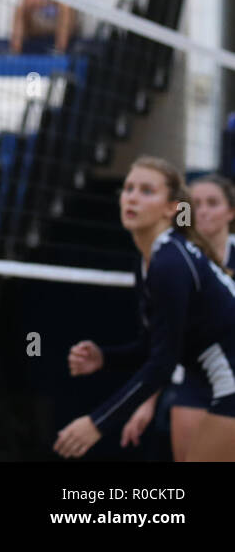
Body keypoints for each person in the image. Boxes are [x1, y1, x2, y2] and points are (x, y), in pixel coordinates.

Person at [56, 157, 235, 461]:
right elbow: (155, 346)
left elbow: (163, 363)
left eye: (147, 191)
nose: (133, 197)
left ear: (172, 208)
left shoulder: (171, 263)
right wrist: (105, 358)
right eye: (128, 188)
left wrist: (97, 423)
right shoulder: (150, 260)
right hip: (212, 379)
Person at [119, 172, 235, 461]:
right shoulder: (172, 259)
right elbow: (164, 342)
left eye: (212, 203)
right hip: (193, 381)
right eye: (195, 203)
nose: (203, 211)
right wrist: (146, 403)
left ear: (230, 211)